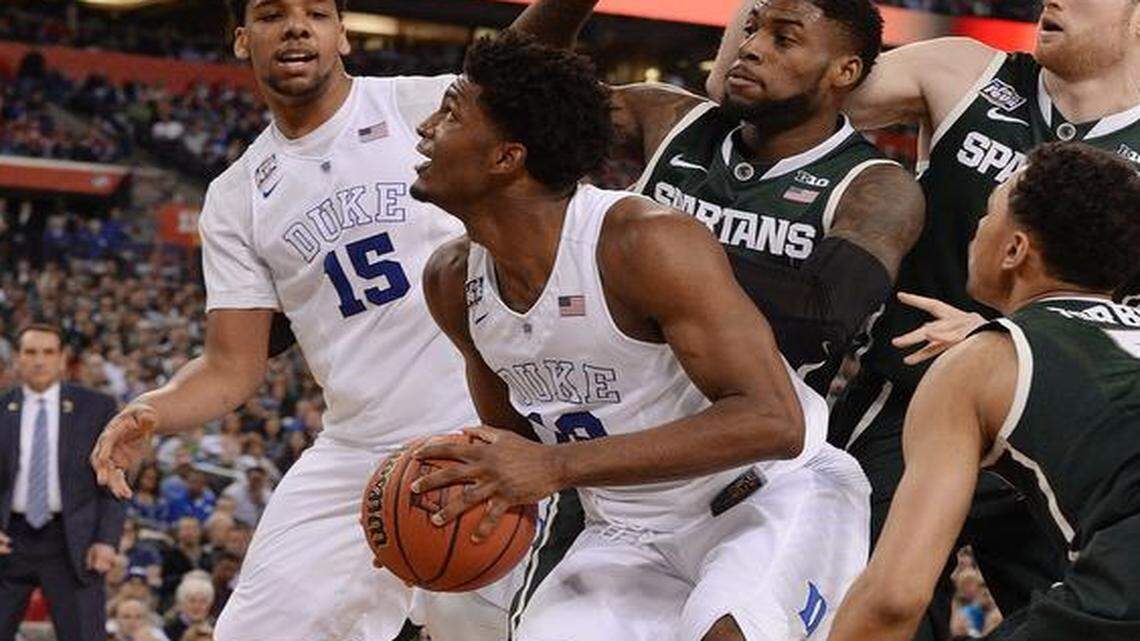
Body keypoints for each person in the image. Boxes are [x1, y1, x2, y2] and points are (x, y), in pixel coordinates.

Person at [89, 1, 600, 640]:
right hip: (358, 447)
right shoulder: (236, 194)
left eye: (316, 12)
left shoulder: (419, 104)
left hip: (491, 427)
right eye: (273, 14)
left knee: (487, 625)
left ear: (343, 35)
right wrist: (155, 409)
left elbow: (519, 58)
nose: (297, 26)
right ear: (244, 41)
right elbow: (231, 366)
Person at [409, 33, 870, 641]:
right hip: (624, 533)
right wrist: (429, 515)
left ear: (506, 158)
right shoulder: (451, 282)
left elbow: (773, 422)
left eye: (450, 113)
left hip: (766, 499)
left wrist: (555, 464)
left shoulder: (639, 242)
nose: (424, 128)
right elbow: (509, 450)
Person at [710, 1, 1140, 636]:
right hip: (902, 411)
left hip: (1057, 431)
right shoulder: (962, 71)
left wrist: (1022, 337)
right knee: (858, 607)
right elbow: (744, 92)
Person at [828, 143, 1140, 640]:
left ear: (1014, 250)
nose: (977, 228)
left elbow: (894, 598)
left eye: (989, 212)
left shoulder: (980, 363)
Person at [615, 0, 924, 394]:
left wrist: (640, 252)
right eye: (750, 30)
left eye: (783, 39)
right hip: (611, 401)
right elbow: (523, 100)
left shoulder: (875, 187)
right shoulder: (669, 117)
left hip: (749, 436)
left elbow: (823, 315)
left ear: (844, 70)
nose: (749, 48)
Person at [0, 323, 125, 641]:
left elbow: (112, 481)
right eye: (30, 352)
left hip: (74, 544)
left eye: (48, 352)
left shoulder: (97, 407)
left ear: (62, 358)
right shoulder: (2, 407)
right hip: (7, 540)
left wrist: (107, 539)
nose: (39, 360)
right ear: (17, 358)